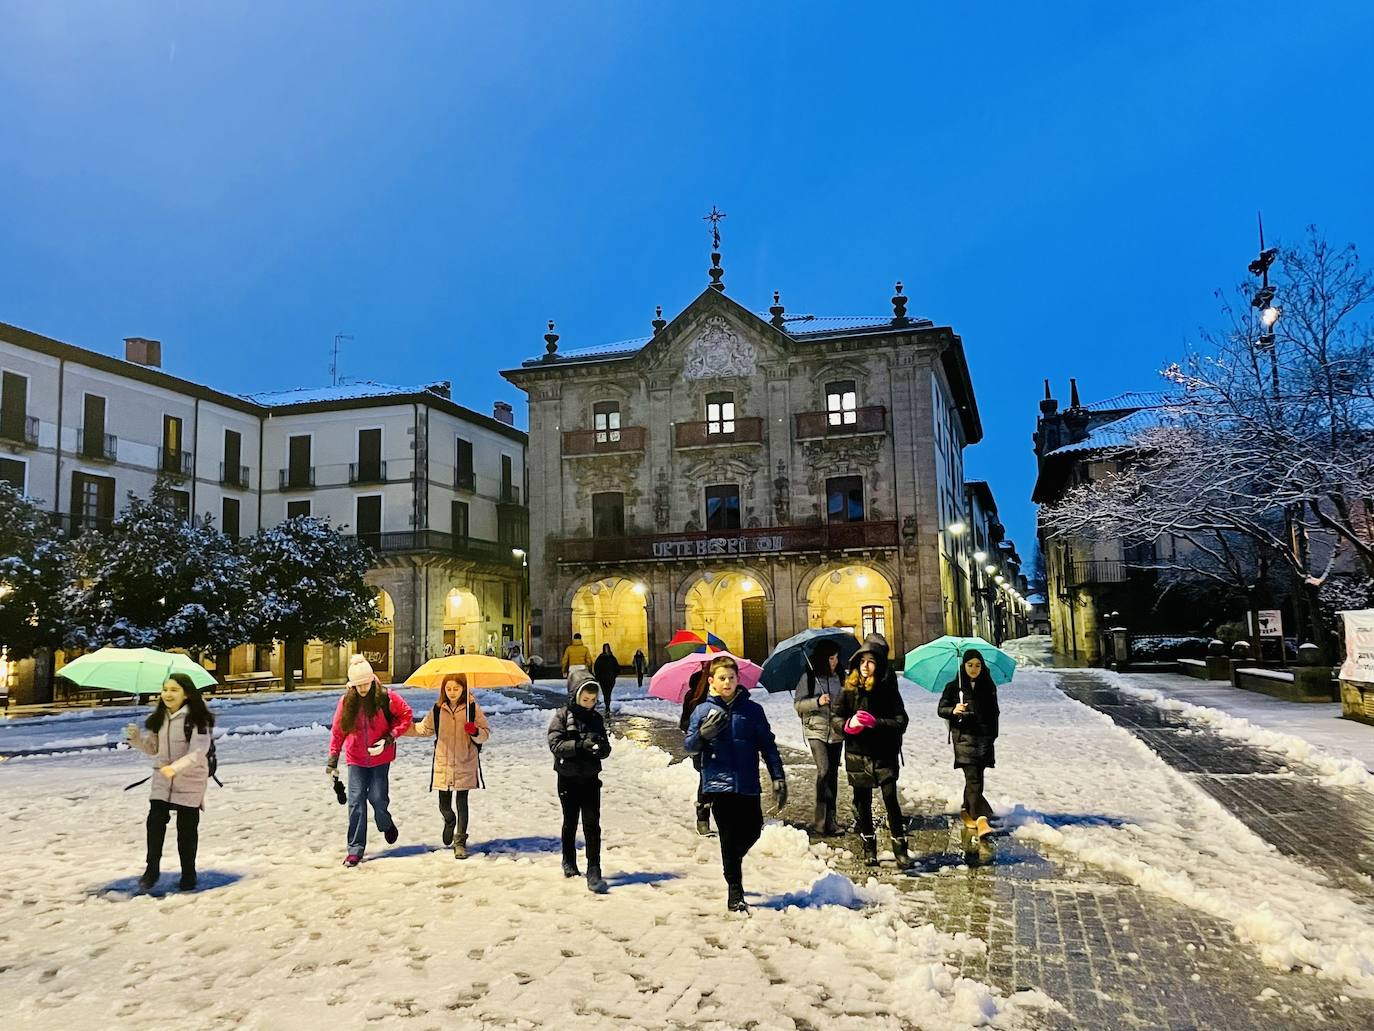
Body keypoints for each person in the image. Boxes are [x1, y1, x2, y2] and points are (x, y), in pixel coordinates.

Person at [684, 655, 786, 913]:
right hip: (718, 784)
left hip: (747, 782)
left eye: (731, 677)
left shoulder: (752, 711)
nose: (727, 682)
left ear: (738, 680)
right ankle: (735, 890)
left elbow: (767, 745)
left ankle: (732, 861)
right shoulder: (702, 710)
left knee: (753, 829)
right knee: (728, 837)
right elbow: (689, 746)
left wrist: (778, 775)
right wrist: (702, 734)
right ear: (712, 682)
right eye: (722, 678)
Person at [124, 673, 215, 892]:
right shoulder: (159, 718)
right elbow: (153, 749)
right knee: (154, 822)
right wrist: (136, 739)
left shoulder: (197, 718)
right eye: (165, 689)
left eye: (174, 690)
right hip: (162, 778)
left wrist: (175, 768)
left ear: (187, 693)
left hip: (190, 779)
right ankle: (151, 870)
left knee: (186, 827)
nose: (167, 694)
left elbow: (198, 752)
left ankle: (188, 874)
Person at [326, 655, 414, 866]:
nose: (363, 688)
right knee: (356, 802)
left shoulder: (386, 696)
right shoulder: (347, 701)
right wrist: (333, 759)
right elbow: (338, 731)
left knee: (377, 798)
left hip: (380, 757)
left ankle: (385, 823)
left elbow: (406, 715)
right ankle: (355, 849)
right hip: (355, 758)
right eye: (358, 685)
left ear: (372, 679)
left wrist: (389, 738)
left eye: (365, 683)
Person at [836, 634, 910, 867]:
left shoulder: (887, 689)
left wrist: (875, 723)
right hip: (858, 753)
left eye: (870, 662)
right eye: (862, 662)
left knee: (890, 798)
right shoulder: (848, 690)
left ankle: (900, 845)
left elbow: (901, 721)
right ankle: (869, 846)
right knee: (863, 803)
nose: (865, 666)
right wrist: (848, 726)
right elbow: (836, 718)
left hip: (884, 752)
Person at [408, 673, 490, 859]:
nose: (452, 693)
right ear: (443, 690)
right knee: (444, 805)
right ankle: (449, 820)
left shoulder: (472, 708)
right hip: (443, 762)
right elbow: (424, 729)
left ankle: (460, 841)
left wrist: (475, 731)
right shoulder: (438, 709)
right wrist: (401, 729)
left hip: (465, 760)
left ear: (463, 689)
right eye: (449, 689)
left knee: (462, 802)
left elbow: (485, 733)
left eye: (456, 688)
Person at [548, 670, 612, 893]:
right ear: (575, 695)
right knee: (571, 821)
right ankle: (569, 859)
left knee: (592, 824)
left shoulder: (596, 718)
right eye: (585, 700)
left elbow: (604, 744)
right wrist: (577, 746)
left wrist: (602, 748)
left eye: (593, 701)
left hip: (591, 778)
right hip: (568, 778)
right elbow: (555, 744)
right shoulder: (563, 717)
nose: (589, 704)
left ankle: (594, 868)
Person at [937, 649, 1001, 841]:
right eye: (970, 665)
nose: (974, 669)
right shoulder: (953, 687)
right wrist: (954, 710)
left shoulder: (989, 686)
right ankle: (981, 819)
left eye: (977, 665)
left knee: (976, 778)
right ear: (963, 666)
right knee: (973, 778)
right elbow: (941, 709)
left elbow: (994, 713)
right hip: (964, 738)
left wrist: (992, 736)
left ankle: (967, 809)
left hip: (984, 739)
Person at [793, 638, 845, 835]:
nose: (835, 662)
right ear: (823, 658)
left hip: (836, 732)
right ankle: (821, 819)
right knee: (823, 771)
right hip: (816, 731)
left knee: (833, 774)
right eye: (831, 658)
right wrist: (817, 701)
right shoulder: (809, 678)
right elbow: (798, 705)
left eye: (837, 658)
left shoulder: (840, 677)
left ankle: (831, 819)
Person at [678, 668, 713, 835]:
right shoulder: (693, 696)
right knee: (706, 781)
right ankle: (702, 818)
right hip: (702, 747)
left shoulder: (726, 696)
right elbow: (684, 723)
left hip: (723, 747)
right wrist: (701, 729)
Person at [593, 643, 620, 716]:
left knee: (608, 692)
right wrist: (598, 676)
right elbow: (596, 667)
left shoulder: (612, 658)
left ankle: (607, 705)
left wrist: (614, 675)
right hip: (603, 679)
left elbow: (617, 667)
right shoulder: (600, 658)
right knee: (605, 693)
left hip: (610, 679)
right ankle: (607, 705)